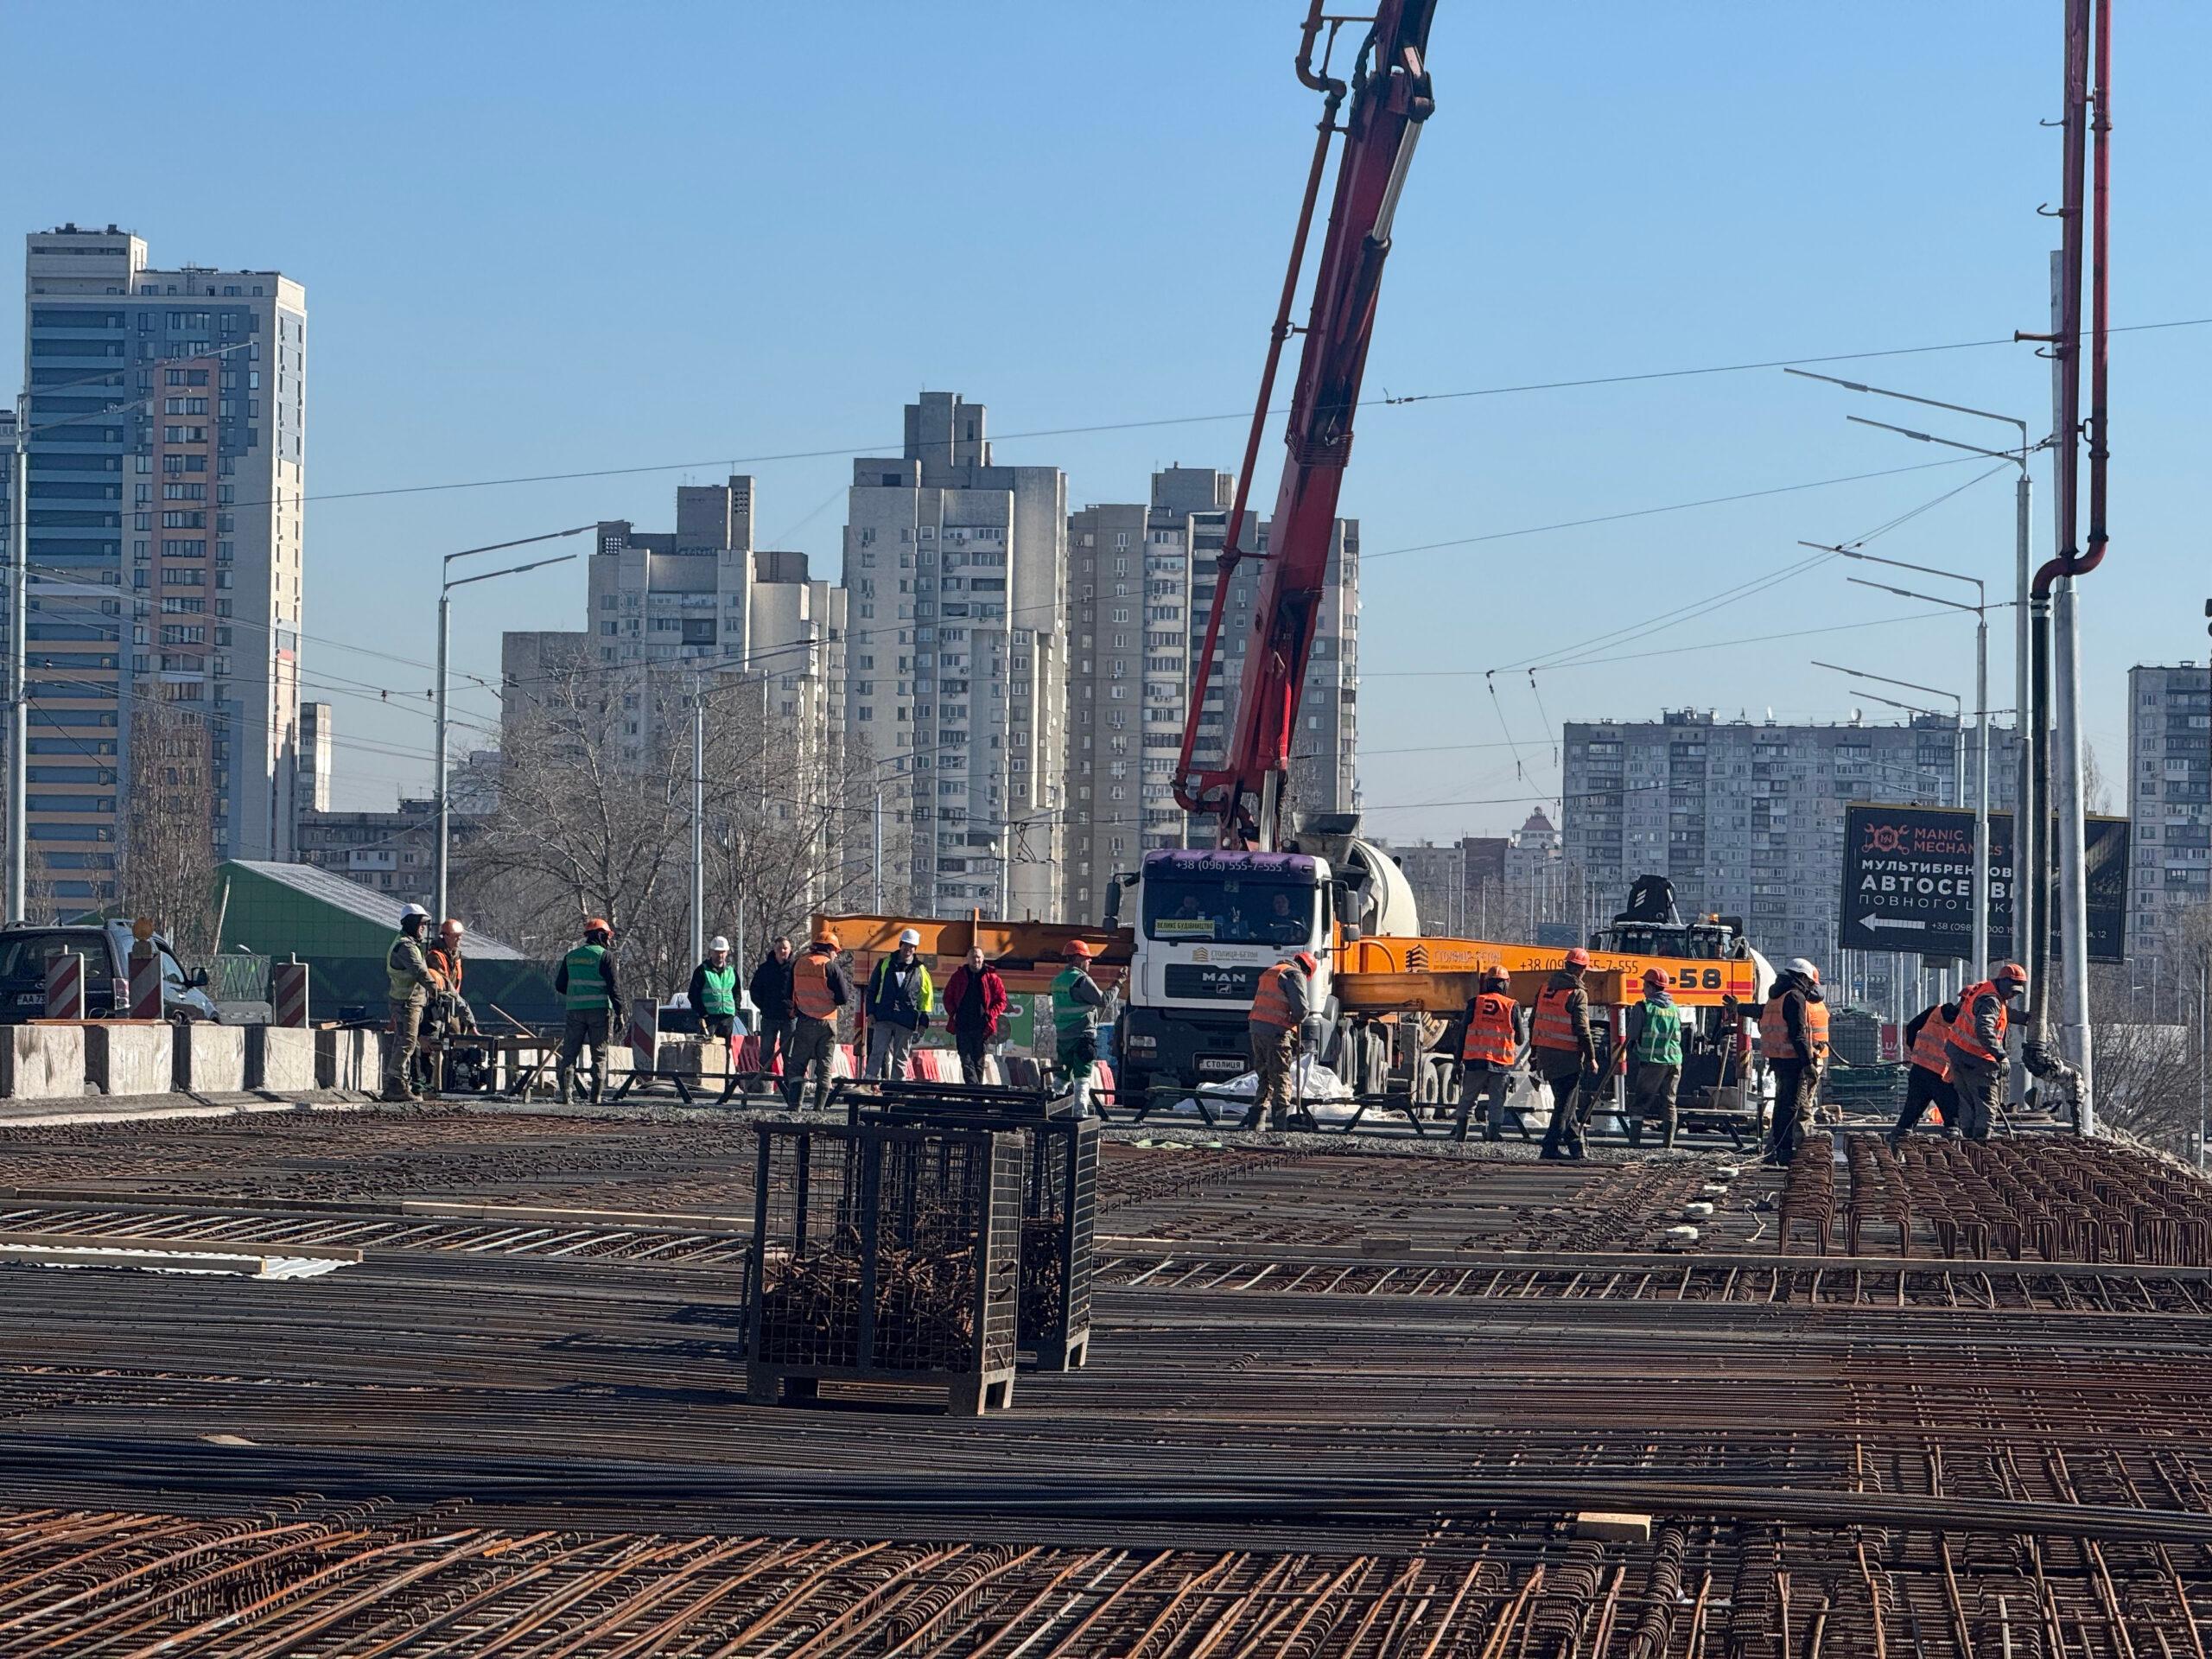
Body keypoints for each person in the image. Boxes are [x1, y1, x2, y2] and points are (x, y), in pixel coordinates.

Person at [1945, 961, 2028, 1142]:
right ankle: (1981, 1143)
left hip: (1958, 1053)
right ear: (2003, 982)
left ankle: (1968, 1143)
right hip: (1977, 1059)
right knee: (1986, 1104)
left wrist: (2025, 1019)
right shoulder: (1991, 1000)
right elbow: (1984, 1029)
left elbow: (2002, 1012)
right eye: (2012, 990)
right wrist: (2001, 1055)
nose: (2013, 995)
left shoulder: (1986, 990)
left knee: (1967, 1102)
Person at [1758, 957, 1829, 1165]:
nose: (1810, 987)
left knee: (1782, 1106)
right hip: (1793, 1061)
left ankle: (1777, 1150)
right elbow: (1798, 1035)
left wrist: (1739, 1007)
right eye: (1809, 982)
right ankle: (1785, 1152)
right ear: (1802, 978)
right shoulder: (1795, 997)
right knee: (1791, 1107)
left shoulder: (1776, 994)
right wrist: (1808, 1064)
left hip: (1778, 1060)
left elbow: (1761, 1011)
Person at [1534, 948, 1601, 1160]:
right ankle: (1549, 1147)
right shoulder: (1577, 994)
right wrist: (1591, 1057)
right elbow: (1582, 1028)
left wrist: (1535, 1053)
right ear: (1582, 970)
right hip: (1567, 1057)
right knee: (1564, 1105)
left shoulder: (1545, 988)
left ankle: (1576, 1148)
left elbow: (1534, 1020)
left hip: (1546, 1055)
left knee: (1567, 1102)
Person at [1241, 950, 1316, 1132]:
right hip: (1276, 1032)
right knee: (1281, 1077)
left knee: (1265, 1076)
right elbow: (1301, 1011)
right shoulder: (1294, 975)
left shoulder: (1272, 971)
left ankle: (1256, 1122)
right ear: (1307, 971)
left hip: (1256, 1029)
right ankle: (1280, 1126)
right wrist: (1293, 1025)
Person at [784, 924, 854, 1111]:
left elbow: (789, 992)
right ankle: (819, 1108)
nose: (836, 955)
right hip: (828, 1022)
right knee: (824, 1065)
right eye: (835, 951)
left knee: (798, 1064)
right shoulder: (830, 967)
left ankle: (794, 1105)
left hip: (805, 1021)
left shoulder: (798, 963)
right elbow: (843, 997)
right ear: (829, 948)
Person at [555, 917, 625, 1105]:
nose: (609, 940)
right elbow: (614, 987)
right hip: (599, 1011)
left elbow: (560, 985)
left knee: (569, 1054)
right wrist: (619, 1012)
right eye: (608, 936)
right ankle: (596, 1097)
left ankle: (566, 1095)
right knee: (599, 1055)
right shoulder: (605, 956)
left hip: (575, 1011)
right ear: (601, 936)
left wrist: (577, 993)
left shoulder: (571, 957)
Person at [1453, 964, 1527, 1143]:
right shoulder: (1512, 1006)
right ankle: (1493, 1138)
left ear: (1487, 983)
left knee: (1467, 1101)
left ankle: (1460, 1138)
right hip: (1500, 1064)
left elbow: (1462, 1034)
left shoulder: (1475, 1003)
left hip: (1475, 1062)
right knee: (1497, 1103)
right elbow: (1520, 1039)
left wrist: (1457, 1063)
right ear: (1506, 983)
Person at [382, 902, 444, 1103]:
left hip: (405, 1001)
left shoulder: (406, 943)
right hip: (407, 1003)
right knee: (407, 1043)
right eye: (421, 923)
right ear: (411, 923)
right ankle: (395, 1085)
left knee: (402, 1043)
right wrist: (435, 989)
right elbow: (419, 972)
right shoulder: (406, 947)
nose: (423, 928)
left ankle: (395, 1086)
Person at [1624, 967, 1685, 1149]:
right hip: (1674, 1061)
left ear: (1651, 987)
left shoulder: (1644, 1007)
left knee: (1640, 1103)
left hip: (1653, 1062)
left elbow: (1632, 1034)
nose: (1643, 989)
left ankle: (1634, 1143)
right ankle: (1668, 1145)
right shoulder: (1674, 1009)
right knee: (1669, 1102)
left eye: (1645, 985)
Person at [864, 927, 936, 1079]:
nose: (908, 949)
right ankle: (870, 1080)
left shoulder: (920, 970)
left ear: (915, 949)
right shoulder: (885, 964)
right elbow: (872, 989)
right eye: (906, 945)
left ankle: (896, 1086)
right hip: (884, 1016)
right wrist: (870, 1012)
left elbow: (926, 997)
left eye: (912, 946)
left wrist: (923, 1022)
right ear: (900, 944)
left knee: (901, 1056)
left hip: (906, 1019)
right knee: (877, 1051)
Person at [1890, 996, 1961, 1148]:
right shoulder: (1965, 1023)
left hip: (1920, 1070)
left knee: (1910, 1113)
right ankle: (1953, 1152)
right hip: (1943, 1076)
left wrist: (1916, 1051)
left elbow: (1911, 1028)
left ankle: (1897, 1144)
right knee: (1953, 1121)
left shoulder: (1935, 1011)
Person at [1051, 939, 1109, 1115]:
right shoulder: (1081, 980)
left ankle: (1050, 1105)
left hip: (1063, 1036)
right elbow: (1103, 1000)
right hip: (1082, 1034)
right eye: (1086, 958)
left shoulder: (1058, 980)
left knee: (1063, 1074)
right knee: (1083, 1075)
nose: (1089, 961)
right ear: (1077, 959)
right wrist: (1118, 984)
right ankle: (1079, 1112)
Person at [943, 945, 1008, 1085]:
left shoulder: (992, 978)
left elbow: (1002, 1000)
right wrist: (953, 1014)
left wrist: (990, 1015)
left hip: (982, 1027)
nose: (976, 960)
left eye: (978, 957)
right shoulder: (958, 977)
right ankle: (974, 1089)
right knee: (966, 1060)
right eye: (973, 957)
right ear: (967, 959)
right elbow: (947, 997)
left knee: (978, 1062)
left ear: (983, 959)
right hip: (962, 1025)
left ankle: (976, 1093)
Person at [747, 935, 797, 1084]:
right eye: (779, 948)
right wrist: (764, 1007)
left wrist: (795, 1008)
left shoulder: (796, 968)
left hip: (789, 1017)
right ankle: (765, 1085)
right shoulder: (765, 969)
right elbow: (754, 991)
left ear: (790, 950)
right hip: (769, 1017)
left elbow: (801, 991)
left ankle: (789, 1087)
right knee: (766, 1053)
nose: (782, 951)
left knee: (789, 1054)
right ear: (774, 950)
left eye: (785, 948)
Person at [688, 935, 740, 1049]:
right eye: (717, 952)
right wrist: (703, 1014)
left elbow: (737, 993)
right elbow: (693, 995)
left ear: (727, 953)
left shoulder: (731, 972)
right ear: (711, 952)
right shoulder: (702, 971)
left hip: (727, 1019)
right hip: (709, 1019)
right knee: (707, 1050)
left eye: (722, 952)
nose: (720, 955)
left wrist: (735, 1011)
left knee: (726, 1051)